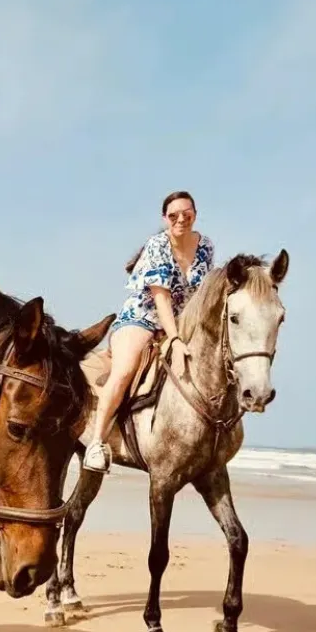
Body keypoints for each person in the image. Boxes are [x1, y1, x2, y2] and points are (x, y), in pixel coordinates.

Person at [82, 190, 215, 473]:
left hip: (183, 322)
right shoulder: (157, 245)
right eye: (174, 215)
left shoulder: (205, 246)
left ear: (195, 214)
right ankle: (96, 443)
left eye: (187, 214)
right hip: (143, 317)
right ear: (165, 218)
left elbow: (201, 296)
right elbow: (161, 297)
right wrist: (176, 339)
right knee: (126, 369)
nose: (181, 219)